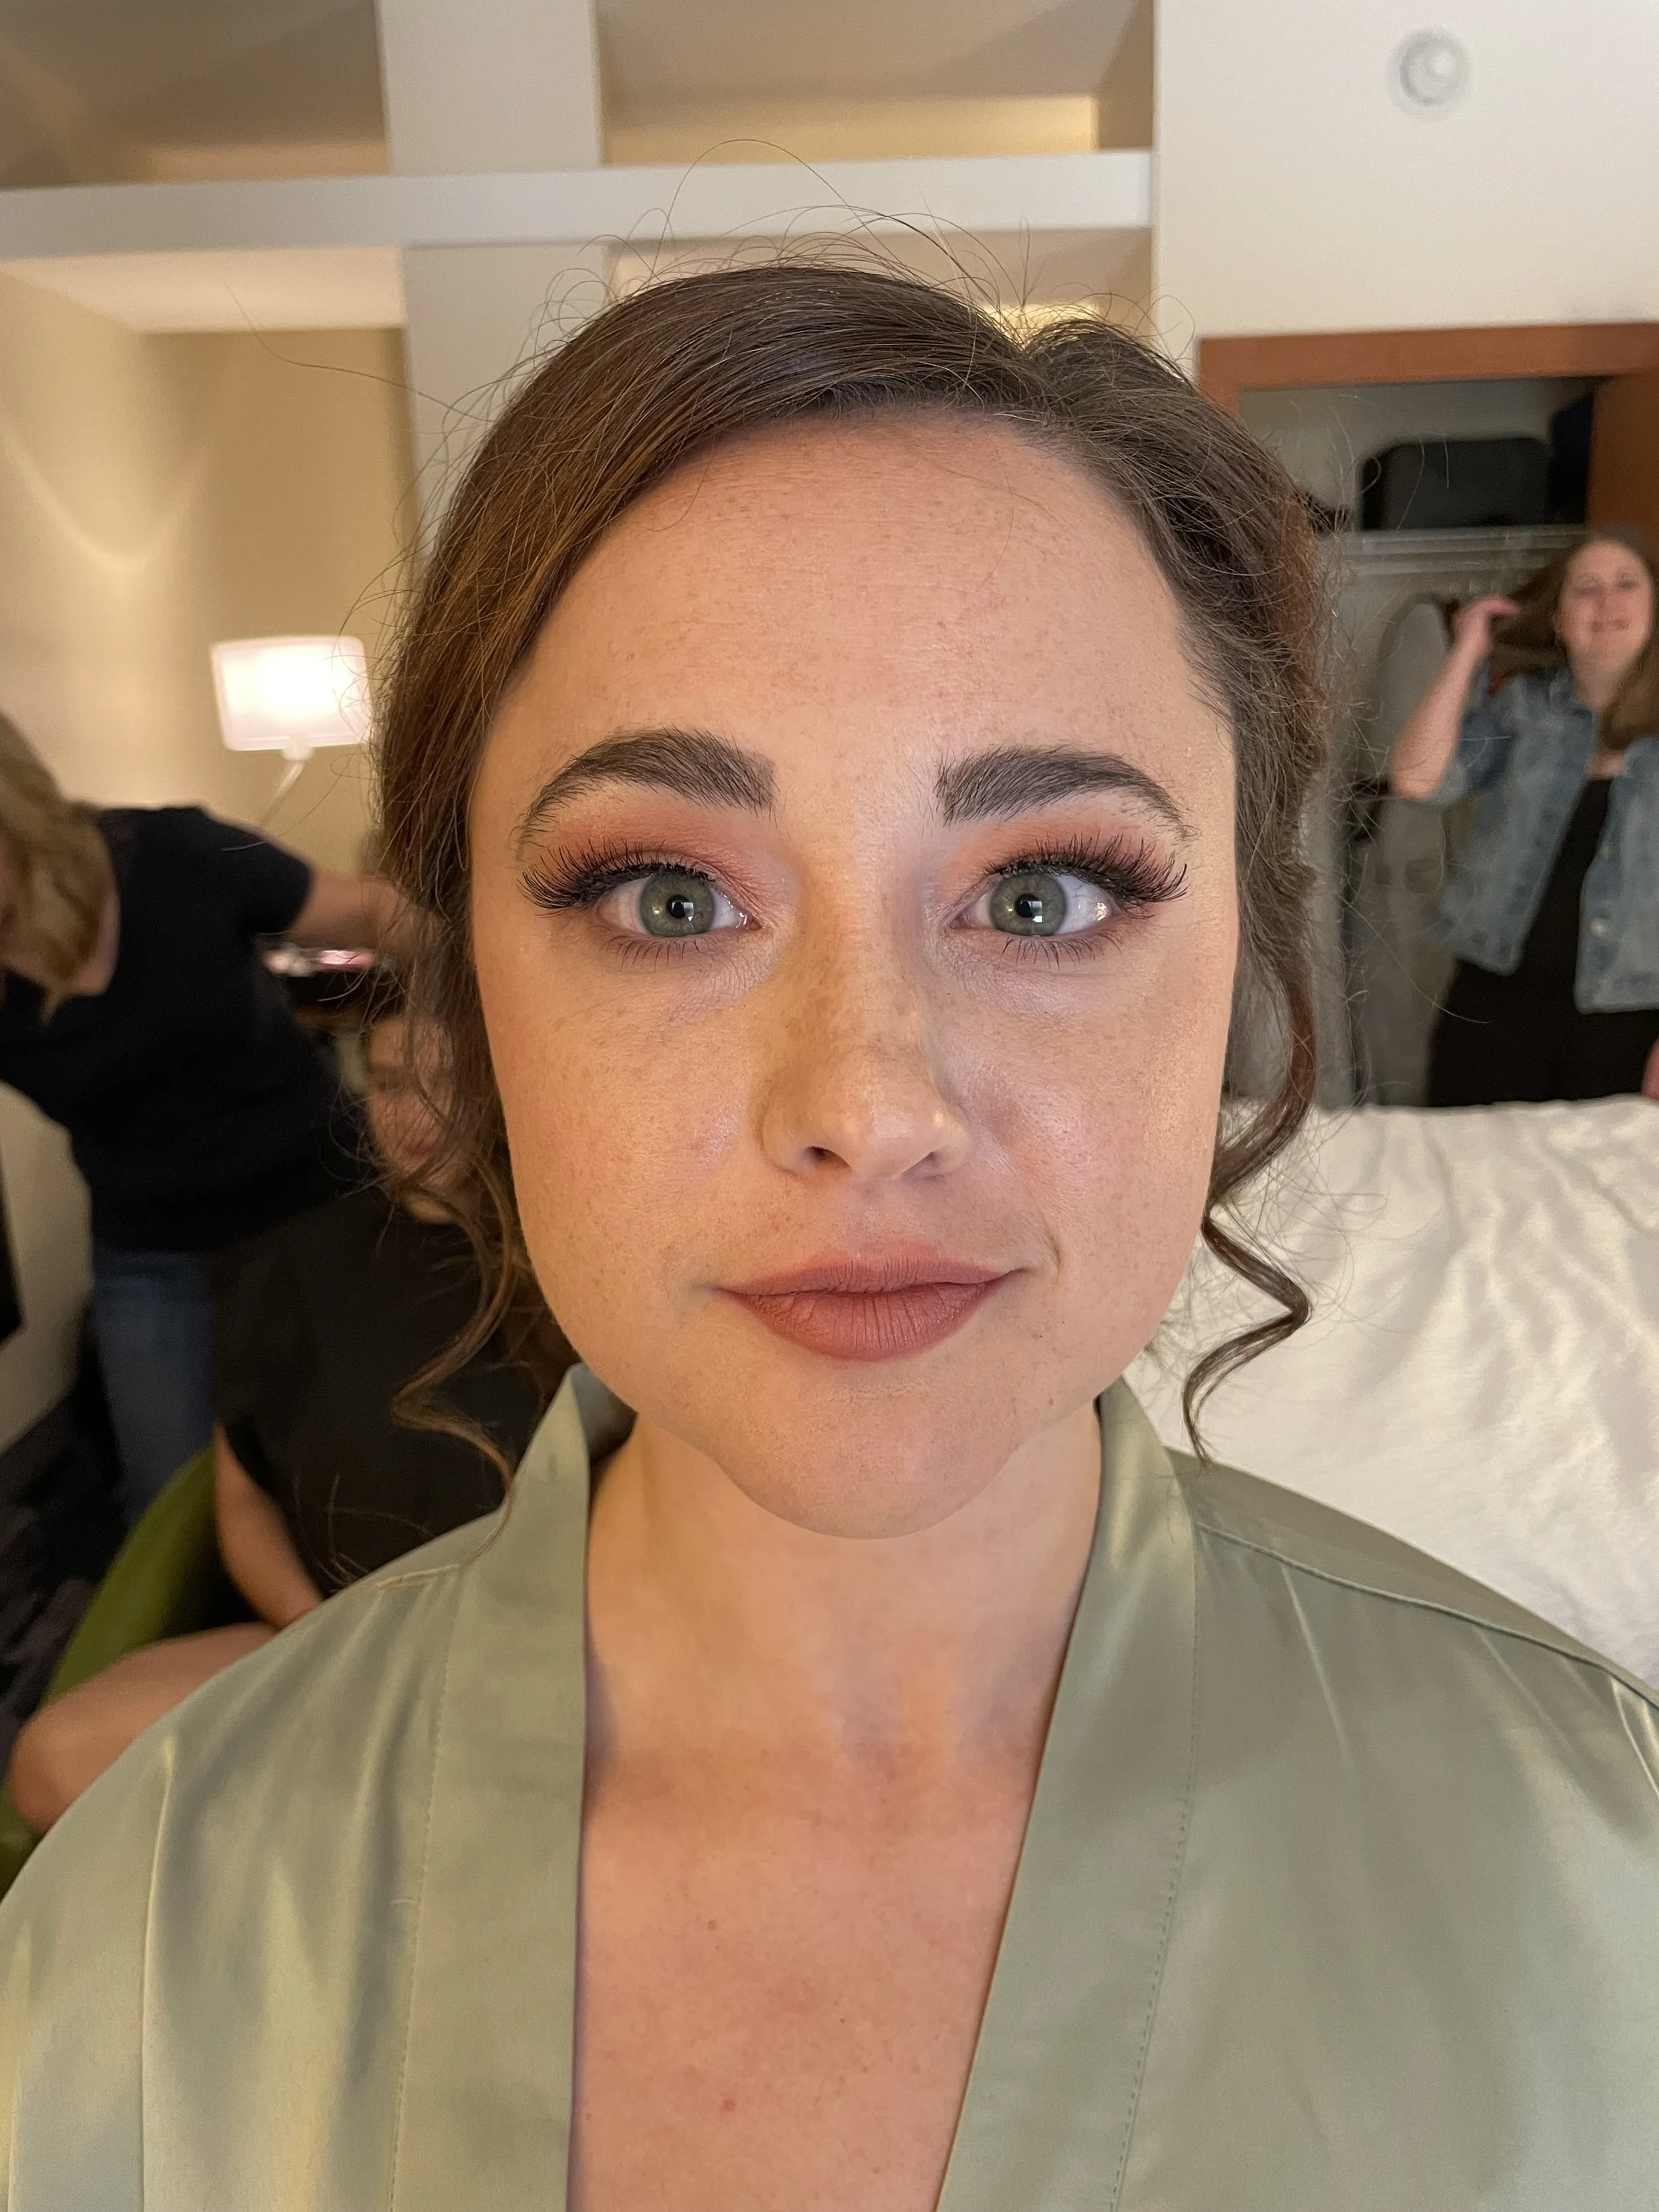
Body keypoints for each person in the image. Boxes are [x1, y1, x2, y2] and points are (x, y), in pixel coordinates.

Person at [0, 265, 1657, 2209]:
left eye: (1039, 891)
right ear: (473, 998)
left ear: (1240, 952)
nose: (866, 1105)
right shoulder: (155, 1907)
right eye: (669, 898)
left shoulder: (1585, 1846)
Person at [4, 982, 559, 1834]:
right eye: (392, 1081)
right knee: (53, 1761)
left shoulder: (564, 1274)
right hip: (334, 1642)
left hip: (521, 1654)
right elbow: (240, 1492)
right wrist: (318, 1630)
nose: (418, 1112)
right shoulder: (290, 1263)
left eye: (450, 1082)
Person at [0, 722, 401, 1516]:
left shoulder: (175, 854)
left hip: (322, 1202)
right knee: (169, 1502)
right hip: (153, 1254)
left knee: (361, 1460)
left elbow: (375, 915)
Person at [1389, 530, 1659, 1107]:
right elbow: (1417, 777)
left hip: (1629, 1017)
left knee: (1595, 1194)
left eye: (1627, 584)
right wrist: (1466, 652)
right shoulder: (1523, 707)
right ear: (1558, 620)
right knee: (1466, 1182)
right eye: (1585, 589)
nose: (1607, 602)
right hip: (1494, 1001)